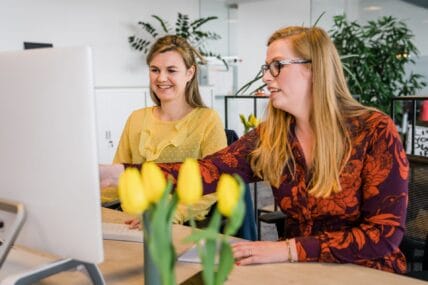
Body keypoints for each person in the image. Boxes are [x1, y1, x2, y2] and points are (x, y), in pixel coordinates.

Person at [100, 26, 408, 273]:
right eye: (266, 67)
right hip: (299, 270)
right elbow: (209, 171)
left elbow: (384, 236)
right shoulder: (272, 136)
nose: (265, 77)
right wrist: (119, 173)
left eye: (277, 66)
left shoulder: (374, 130)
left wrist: (287, 249)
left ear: (315, 69)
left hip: (367, 271)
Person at [102, 35, 227, 225]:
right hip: (130, 221)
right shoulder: (136, 118)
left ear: (190, 73)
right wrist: (85, 200)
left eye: (171, 70)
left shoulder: (207, 120)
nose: (161, 78)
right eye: (155, 70)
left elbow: (213, 184)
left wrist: (169, 216)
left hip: (181, 224)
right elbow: (118, 178)